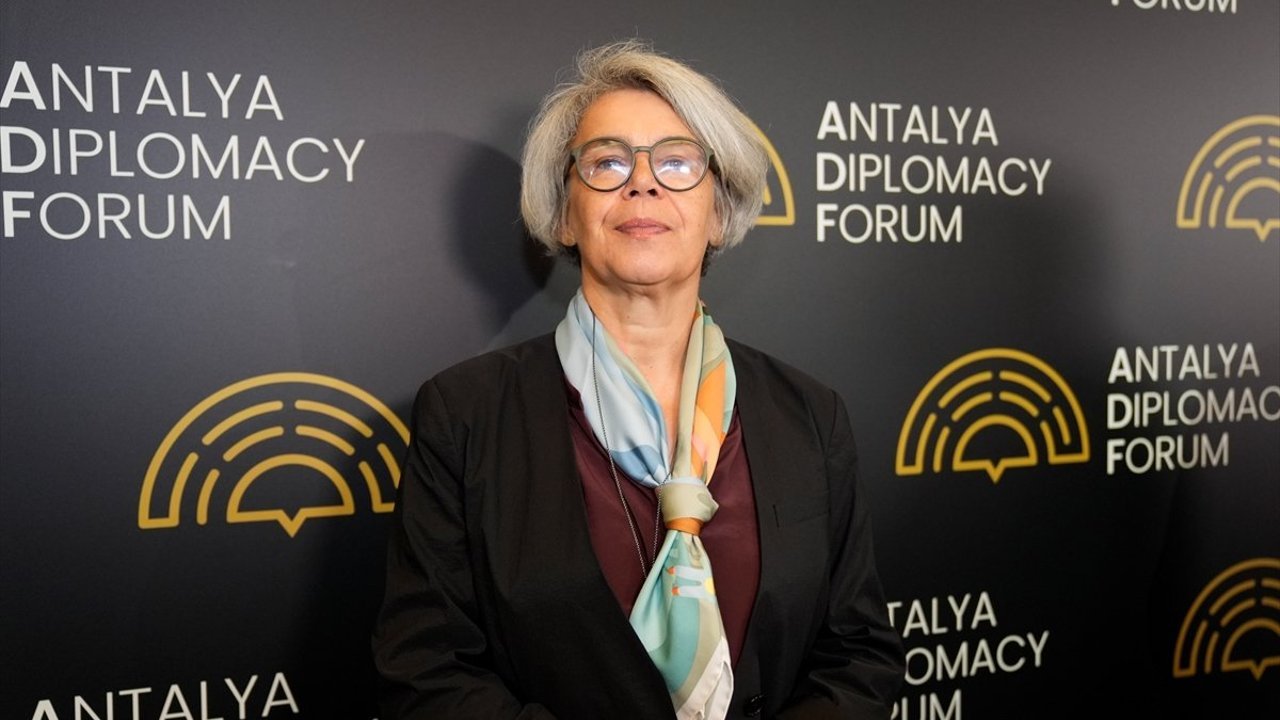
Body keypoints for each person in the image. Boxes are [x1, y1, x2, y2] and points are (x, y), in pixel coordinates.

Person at [372, 39, 905, 719]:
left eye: (677, 162)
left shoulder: (808, 412)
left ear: (719, 211)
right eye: (607, 162)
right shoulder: (465, 413)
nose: (643, 183)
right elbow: (426, 670)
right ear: (564, 214)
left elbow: (860, 654)